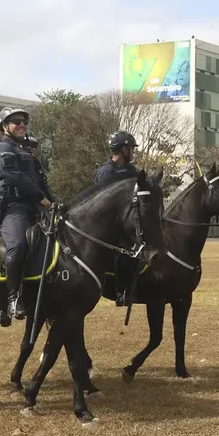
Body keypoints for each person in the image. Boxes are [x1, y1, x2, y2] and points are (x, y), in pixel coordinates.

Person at [0, 108, 54, 326]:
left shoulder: (24, 151)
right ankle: (12, 298)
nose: (21, 124)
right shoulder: (2, 148)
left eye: (24, 121)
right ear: (5, 126)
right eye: (16, 122)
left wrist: (53, 203)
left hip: (34, 207)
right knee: (18, 245)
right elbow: (12, 175)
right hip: (12, 208)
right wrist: (41, 198)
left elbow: (40, 182)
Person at [94, 130, 140, 306]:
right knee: (125, 251)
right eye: (131, 149)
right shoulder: (106, 172)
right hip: (108, 223)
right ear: (124, 150)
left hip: (128, 221)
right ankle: (122, 291)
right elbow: (101, 204)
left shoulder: (131, 170)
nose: (133, 152)